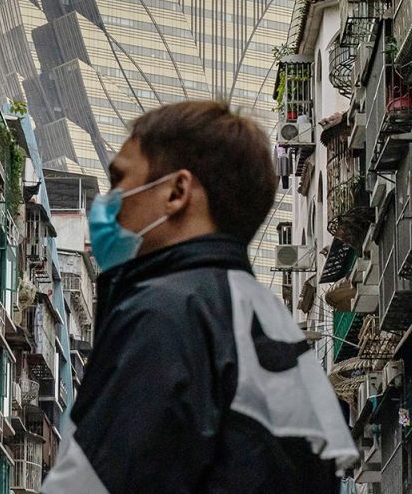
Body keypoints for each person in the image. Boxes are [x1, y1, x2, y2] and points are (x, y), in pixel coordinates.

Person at [43, 101, 357, 494]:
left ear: (177, 191)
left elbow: (98, 482)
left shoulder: (167, 313)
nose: (109, 202)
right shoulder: (268, 320)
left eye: (121, 179)